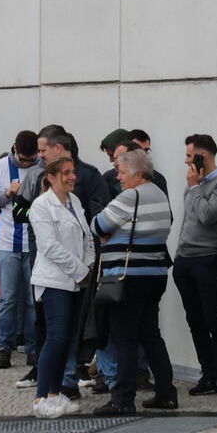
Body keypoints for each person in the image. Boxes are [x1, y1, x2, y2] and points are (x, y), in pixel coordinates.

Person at [91, 150, 176, 415]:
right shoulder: (160, 195)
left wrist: (109, 233)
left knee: (125, 338)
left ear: (137, 172)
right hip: (155, 275)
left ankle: (123, 399)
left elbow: (98, 224)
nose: (117, 177)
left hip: (128, 277)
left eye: (120, 171)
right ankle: (166, 393)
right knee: (151, 335)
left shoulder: (131, 197)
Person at [172, 134, 217, 399]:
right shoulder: (193, 184)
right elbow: (188, 221)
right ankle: (207, 373)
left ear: (204, 156)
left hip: (209, 258)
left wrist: (196, 187)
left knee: (213, 319)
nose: (186, 161)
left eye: (190, 156)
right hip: (186, 259)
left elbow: (208, 215)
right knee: (195, 320)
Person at [29, 157, 94, 418]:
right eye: (66, 173)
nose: (71, 177)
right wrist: (79, 270)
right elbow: (48, 246)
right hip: (55, 280)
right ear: (51, 176)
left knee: (67, 339)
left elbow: (87, 236)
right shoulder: (41, 206)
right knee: (55, 338)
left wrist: (88, 264)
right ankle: (40, 397)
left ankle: (55, 394)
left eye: (73, 173)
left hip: (77, 281)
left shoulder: (74, 202)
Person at [0, 130, 40, 369]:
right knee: (7, 299)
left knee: (32, 300)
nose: (27, 163)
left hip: (35, 244)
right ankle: (3, 348)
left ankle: (33, 348)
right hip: (7, 243)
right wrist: (7, 194)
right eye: (23, 159)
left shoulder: (42, 168)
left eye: (31, 159)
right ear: (14, 148)